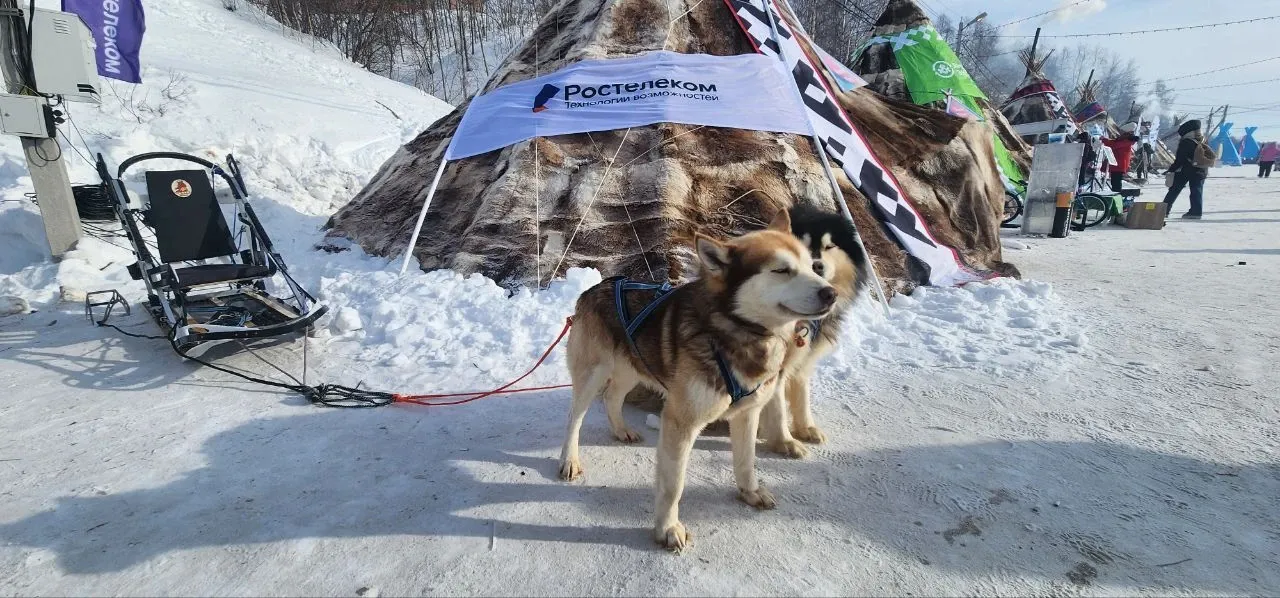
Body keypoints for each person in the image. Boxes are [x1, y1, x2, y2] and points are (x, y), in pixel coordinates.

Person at [1163, 119, 1210, 219]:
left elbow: (1180, 159)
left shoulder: (1186, 142)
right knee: (1197, 190)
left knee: (1174, 189)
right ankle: (1196, 212)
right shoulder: (1203, 140)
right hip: (1202, 169)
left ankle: (1164, 210)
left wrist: (1171, 169)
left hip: (1186, 170)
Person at [1101, 123, 1141, 192]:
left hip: (1119, 164)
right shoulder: (1125, 139)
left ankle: (1117, 196)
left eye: (1122, 131)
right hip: (1117, 163)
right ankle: (1116, 194)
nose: (1120, 132)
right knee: (1114, 182)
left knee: (1116, 183)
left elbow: (1115, 145)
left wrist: (1104, 140)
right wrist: (1105, 140)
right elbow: (1114, 142)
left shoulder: (1127, 140)